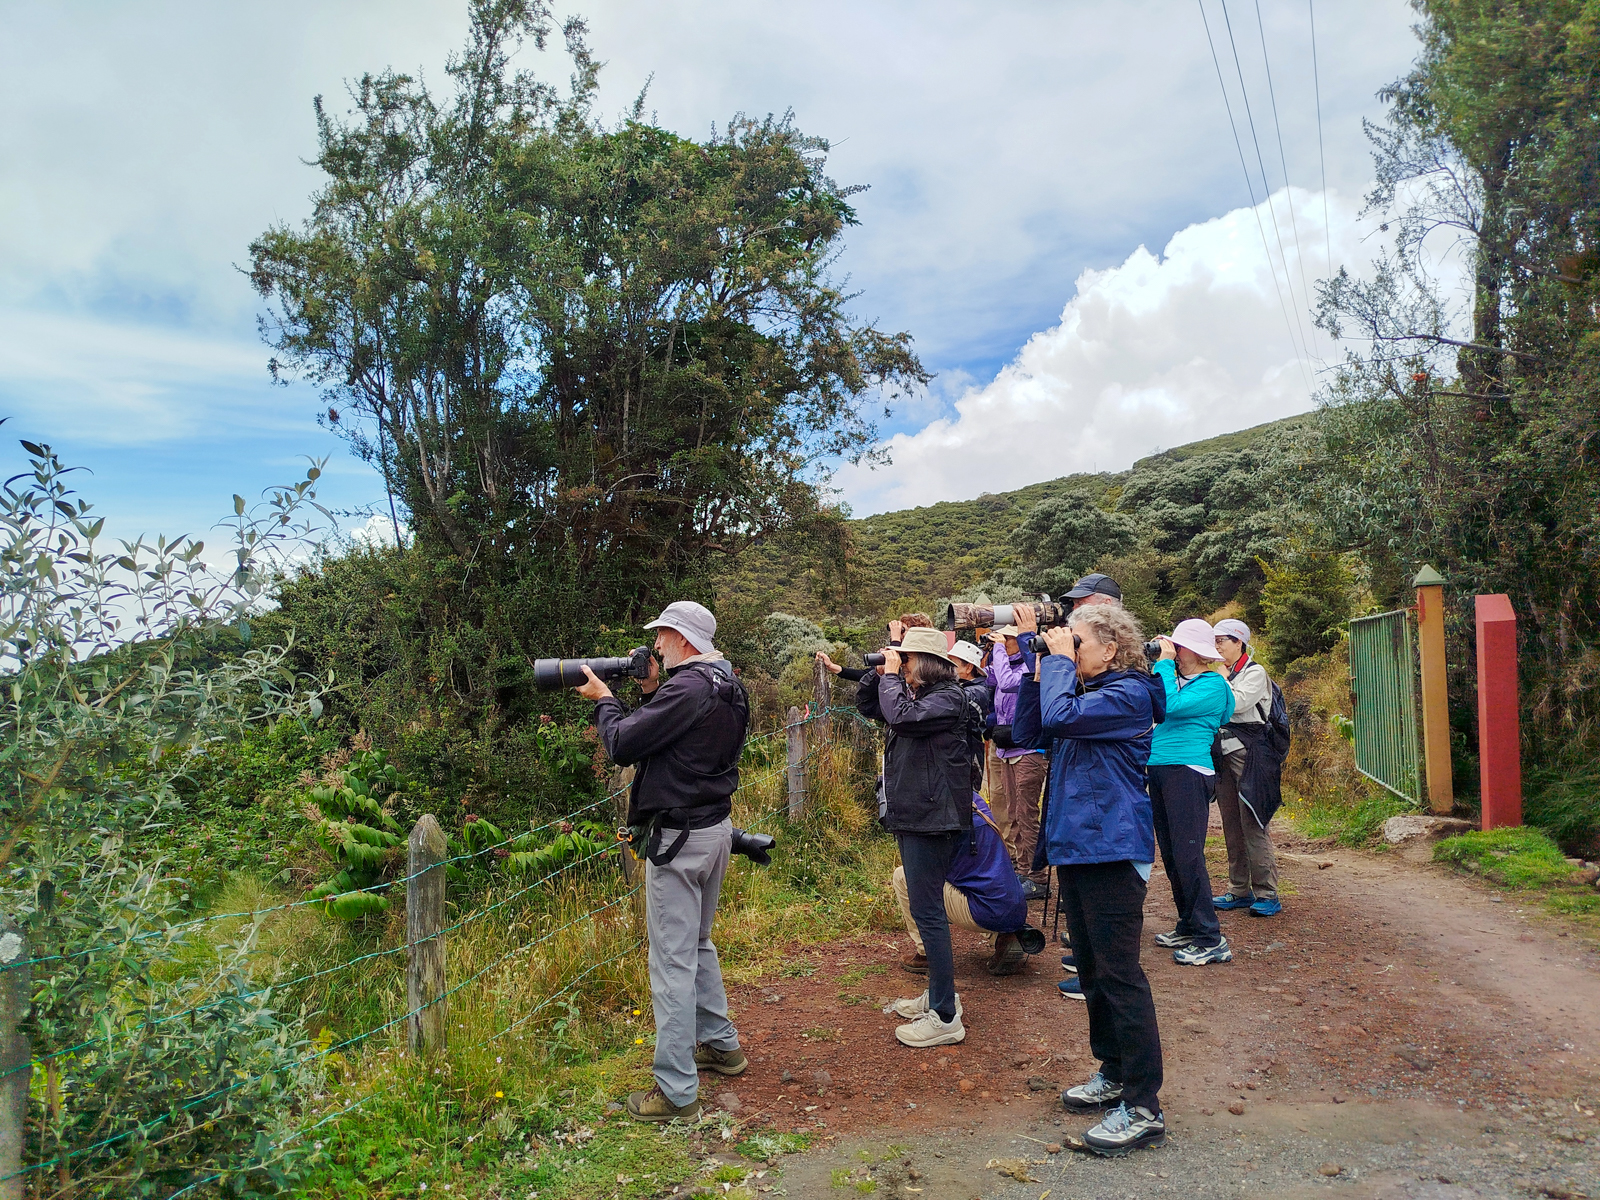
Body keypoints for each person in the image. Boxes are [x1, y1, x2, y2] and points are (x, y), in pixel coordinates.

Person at [578, 600, 750, 1123]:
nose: (654, 646)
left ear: (682, 639)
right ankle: (721, 1044)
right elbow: (679, 740)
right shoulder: (728, 684)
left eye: (661, 636)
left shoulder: (689, 687)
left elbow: (624, 744)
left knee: (671, 962)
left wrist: (605, 699)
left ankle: (676, 1091)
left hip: (678, 839)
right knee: (698, 944)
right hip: (714, 829)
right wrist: (651, 690)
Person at [1012, 601, 1169, 1156]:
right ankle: (1113, 1072)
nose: (1066, 649)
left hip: (1111, 848)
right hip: (1080, 848)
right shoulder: (1082, 692)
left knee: (1120, 974)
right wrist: (1039, 668)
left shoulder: (1127, 696)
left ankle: (1144, 1105)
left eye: (1075, 643)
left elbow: (1058, 721)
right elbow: (1027, 729)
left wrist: (1055, 665)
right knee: (1094, 971)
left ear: (1110, 648)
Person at [858, 625, 977, 1048]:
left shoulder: (947, 698)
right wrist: (879, 672)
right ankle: (940, 996)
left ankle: (945, 1016)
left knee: (929, 914)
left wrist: (891, 678)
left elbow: (902, 718)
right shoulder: (922, 697)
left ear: (924, 663)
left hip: (933, 818)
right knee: (927, 911)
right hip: (919, 814)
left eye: (905, 659)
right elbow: (870, 705)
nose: (900, 664)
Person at [1148, 619, 1236, 966]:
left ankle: (1210, 937)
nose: (1173, 651)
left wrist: (1164, 665)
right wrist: (1163, 668)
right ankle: (1188, 923)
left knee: (1188, 855)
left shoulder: (1213, 684)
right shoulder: (1175, 678)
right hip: (1160, 768)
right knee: (1171, 854)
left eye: (1178, 647)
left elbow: (1170, 708)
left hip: (1188, 770)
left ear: (1195, 652)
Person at [892, 792, 1033, 977]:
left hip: (983, 910)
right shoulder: (974, 798)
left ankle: (926, 953)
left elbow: (927, 869)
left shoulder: (939, 814)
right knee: (973, 880)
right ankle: (1003, 937)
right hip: (1014, 904)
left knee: (903, 876)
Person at [1210, 618, 1285, 918]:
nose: (1216, 646)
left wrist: (1220, 679)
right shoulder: (1223, 673)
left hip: (1250, 753)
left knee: (1253, 819)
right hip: (1223, 752)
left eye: (1221, 640)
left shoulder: (1255, 673)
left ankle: (1267, 892)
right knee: (1230, 821)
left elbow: (1235, 705)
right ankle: (1239, 888)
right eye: (1214, 640)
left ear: (1238, 642)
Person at [983, 624, 1049, 899]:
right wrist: (992, 650)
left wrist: (998, 648)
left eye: (1008, 639)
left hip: (1029, 751)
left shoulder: (1032, 667)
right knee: (1012, 813)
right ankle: (1022, 870)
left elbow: (1009, 684)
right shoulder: (1005, 663)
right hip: (1008, 749)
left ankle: (1037, 877)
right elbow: (990, 679)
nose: (1004, 643)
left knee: (1026, 813)